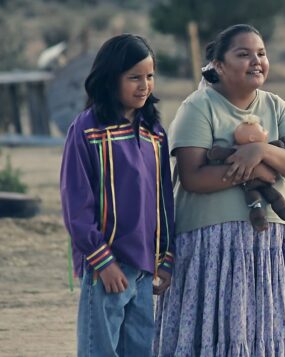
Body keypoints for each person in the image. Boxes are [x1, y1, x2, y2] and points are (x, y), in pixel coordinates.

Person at [154, 24, 285, 356]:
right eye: (243, 54)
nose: (256, 61)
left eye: (261, 53)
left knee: (263, 331)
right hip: (212, 246)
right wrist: (254, 171)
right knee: (214, 334)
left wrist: (262, 152)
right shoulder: (198, 107)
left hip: (269, 242)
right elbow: (193, 176)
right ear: (219, 65)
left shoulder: (277, 106)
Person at [60, 34, 175, 356]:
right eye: (134, 77)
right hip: (107, 267)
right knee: (100, 350)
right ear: (111, 79)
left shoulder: (154, 132)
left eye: (150, 76)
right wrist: (103, 262)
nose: (144, 85)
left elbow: (164, 199)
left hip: (144, 268)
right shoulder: (87, 130)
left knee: (139, 350)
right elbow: (75, 206)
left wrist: (166, 258)